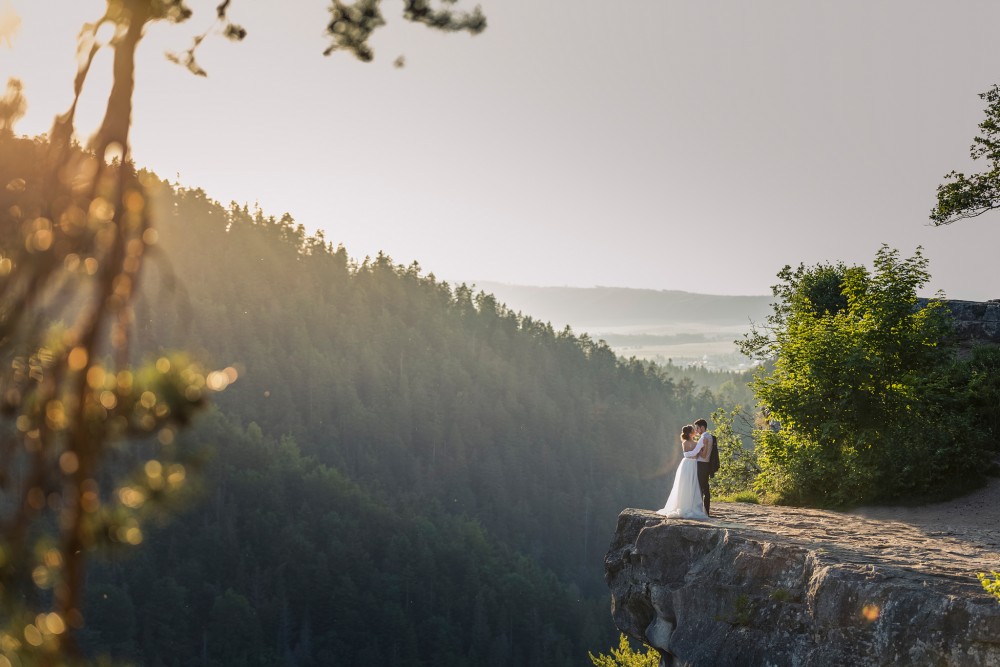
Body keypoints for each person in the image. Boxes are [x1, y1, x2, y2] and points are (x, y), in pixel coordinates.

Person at [656, 424, 709, 520]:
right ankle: (688, 505)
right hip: (691, 464)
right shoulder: (695, 443)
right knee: (689, 484)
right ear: (690, 433)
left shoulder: (685, 443)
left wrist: (702, 445)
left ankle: (684, 504)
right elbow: (696, 454)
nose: (695, 431)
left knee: (685, 484)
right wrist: (703, 445)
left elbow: (690, 454)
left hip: (687, 464)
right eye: (693, 430)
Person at [693, 418, 714, 516]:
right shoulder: (709, 436)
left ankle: (701, 511)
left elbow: (703, 454)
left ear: (702, 427)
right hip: (706, 465)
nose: (696, 430)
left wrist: (695, 451)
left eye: (697, 428)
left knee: (700, 488)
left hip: (701, 464)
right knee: (705, 488)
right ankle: (705, 511)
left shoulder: (703, 438)